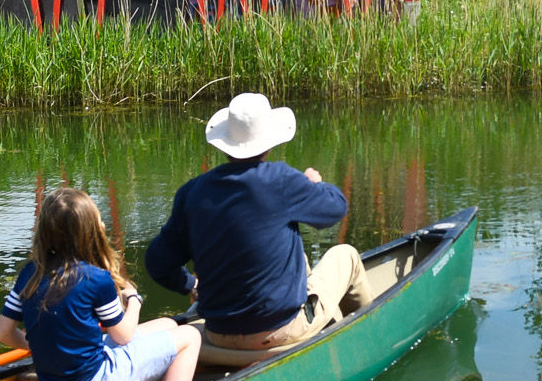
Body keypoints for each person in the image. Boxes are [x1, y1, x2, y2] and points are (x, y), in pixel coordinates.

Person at [146, 92, 374, 350]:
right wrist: (315, 184)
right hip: (280, 331)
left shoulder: (192, 192)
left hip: (217, 334)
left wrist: (191, 285)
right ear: (269, 143)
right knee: (347, 255)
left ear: (226, 144)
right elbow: (336, 208)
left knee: (298, 252)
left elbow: (157, 263)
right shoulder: (281, 180)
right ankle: (372, 336)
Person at [0, 188, 202, 381]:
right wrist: (134, 300)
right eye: (99, 220)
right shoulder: (96, 278)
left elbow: (3, 332)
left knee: (167, 324)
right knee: (190, 336)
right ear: (90, 231)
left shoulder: (31, 272)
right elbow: (123, 337)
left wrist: (41, 349)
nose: (103, 225)